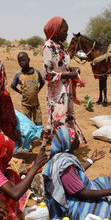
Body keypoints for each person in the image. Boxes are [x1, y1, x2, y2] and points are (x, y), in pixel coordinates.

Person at [43, 127, 111, 220]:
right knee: (103, 215)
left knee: (107, 181)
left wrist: (91, 160)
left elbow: (75, 174)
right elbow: (81, 193)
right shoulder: (65, 165)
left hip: (76, 190)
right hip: (72, 201)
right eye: (76, 138)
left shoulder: (62, 156)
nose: (78, 139)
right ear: (70, 143)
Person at [42, 16, 87, 149]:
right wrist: (69, 75)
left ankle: (65, 146)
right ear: (56, 30)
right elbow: (47, 74)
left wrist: (73, 69)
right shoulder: (48, 46)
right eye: (65, 30)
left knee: (66, 117)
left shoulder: (61, 46)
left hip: (66, 90)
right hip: (56, 92)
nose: (67, 33)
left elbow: (62, 67)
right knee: (57, 119)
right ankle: (56, 148)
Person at [11, 51, 46, 126]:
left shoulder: (36, 72)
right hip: (25, 105)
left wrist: (37, 90)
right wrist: (21, 92)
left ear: (29, 59)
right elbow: (13, 86)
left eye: (23, 60)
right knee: (27, 124)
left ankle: (40, 137)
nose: (21, 62)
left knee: (39, 123)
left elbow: (43, 82)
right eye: (19, 61)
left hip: (36, 104)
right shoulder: (19, 75)